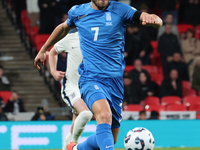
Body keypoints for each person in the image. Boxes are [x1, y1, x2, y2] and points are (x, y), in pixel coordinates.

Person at [34, 1, 162, 150]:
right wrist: (43, 49)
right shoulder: (78, 12)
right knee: (104, 115)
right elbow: (63, 28)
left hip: (115, 83)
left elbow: (153, 19)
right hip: (91, 79)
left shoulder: (120, 10)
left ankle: (75, 148)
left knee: (110, 139)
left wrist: (153, 19)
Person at [48, 31, 93, 150]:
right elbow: (52, 52)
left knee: (74, 126)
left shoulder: (96, 38)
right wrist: (53, 71)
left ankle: (68, 147)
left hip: (86, 89)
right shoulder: (71, 38)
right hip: (71, 87)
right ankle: (73, 145)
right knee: (86, 113)